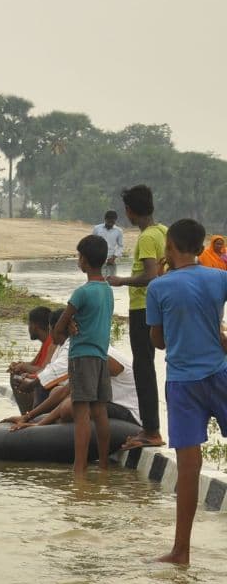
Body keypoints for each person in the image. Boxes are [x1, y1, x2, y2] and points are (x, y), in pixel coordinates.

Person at [145, 218, 227, 564]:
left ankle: (181, 550)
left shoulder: (159, 287)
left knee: (189, 467)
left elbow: (158, 341)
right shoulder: (219, 278)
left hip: (182, 383)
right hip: (220, 374)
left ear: (170, 247)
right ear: (201, 247)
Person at [107, 184, 166, 450]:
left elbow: (151, 275)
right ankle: (154, 427)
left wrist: (121, 281)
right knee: (156, 367)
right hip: (162, 308)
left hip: (144, 308)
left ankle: (151, 430)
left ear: (129, 211)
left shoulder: (146, 238)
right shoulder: (164, 231)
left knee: (144, 367)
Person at [51, 235, 113, 475]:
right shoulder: (107, 290)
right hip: (101, 356)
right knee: (100, 411)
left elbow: (57, 332)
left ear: (84, 261)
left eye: (79, 256)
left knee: (82, 413)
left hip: (81, 356)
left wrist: (67, 327)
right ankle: (105, 467)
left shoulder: (81, 293)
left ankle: (80, 469)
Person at [4, 344, 141, 432]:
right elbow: (65, 391)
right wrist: (27, 417)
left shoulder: (101, 356)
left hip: (128, 411)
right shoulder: (88, 352)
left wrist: (38, 426)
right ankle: (53, 422)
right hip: (108, 403)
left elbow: (72, 396)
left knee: (70, 406)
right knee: (56, 392)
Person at [7, 305, 56, 412]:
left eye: (29, 324)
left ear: (34, 326)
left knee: (17, 378)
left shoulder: (52, 342)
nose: (28, 327)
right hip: (41, 381)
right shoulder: (46, 343)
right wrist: (19, 365)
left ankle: (27, 415)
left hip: (45, 386)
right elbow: (33, 365)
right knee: (16, 373)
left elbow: (44, 370)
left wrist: (22, 366)